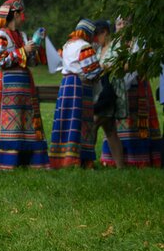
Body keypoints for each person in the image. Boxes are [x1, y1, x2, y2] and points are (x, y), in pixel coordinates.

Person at [0, 0, 49, 171]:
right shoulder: (1, 35)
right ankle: (7, 161)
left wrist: (35, 48)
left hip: (25, 85)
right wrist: (23, 51)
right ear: (15, 14)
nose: (24, 17)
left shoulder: (22, 36)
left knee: (26, 121)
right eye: (22, 13)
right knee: (10, 121)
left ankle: (27, 159)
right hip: (9, 85)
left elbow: (32, 62)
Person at [100, 17, 163, 167]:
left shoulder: (139, 41)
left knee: (137, 122)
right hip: (117, 87)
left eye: (125, 23)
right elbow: (105, 62)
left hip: (136, 85)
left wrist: (121, 67)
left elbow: (139, 62)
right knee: (117, 122)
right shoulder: (113, 43)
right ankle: (115, 159)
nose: (122, 26)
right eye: (119, 24)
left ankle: (139, 158)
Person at [48, 19, 103, 168]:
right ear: (88, 33)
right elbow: (92, 71)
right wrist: (102, 69)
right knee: (80, 121)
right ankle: (79, 159)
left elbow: (59, 62)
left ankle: (61, 158)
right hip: (80, 86)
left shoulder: (67, 45)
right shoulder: (85, 46)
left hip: (66, 84)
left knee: (66, 120)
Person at [91, 20, 126, 168]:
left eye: (97, 35)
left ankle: (87, 162)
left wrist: (108, 67)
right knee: (110, 131)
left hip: (111, 92)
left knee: (93, 124)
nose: (95, 39)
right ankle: (121, 166)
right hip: (101, 92)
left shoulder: (116, 46)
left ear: (104, 32)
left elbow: (125, 65)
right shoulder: (99, 49)